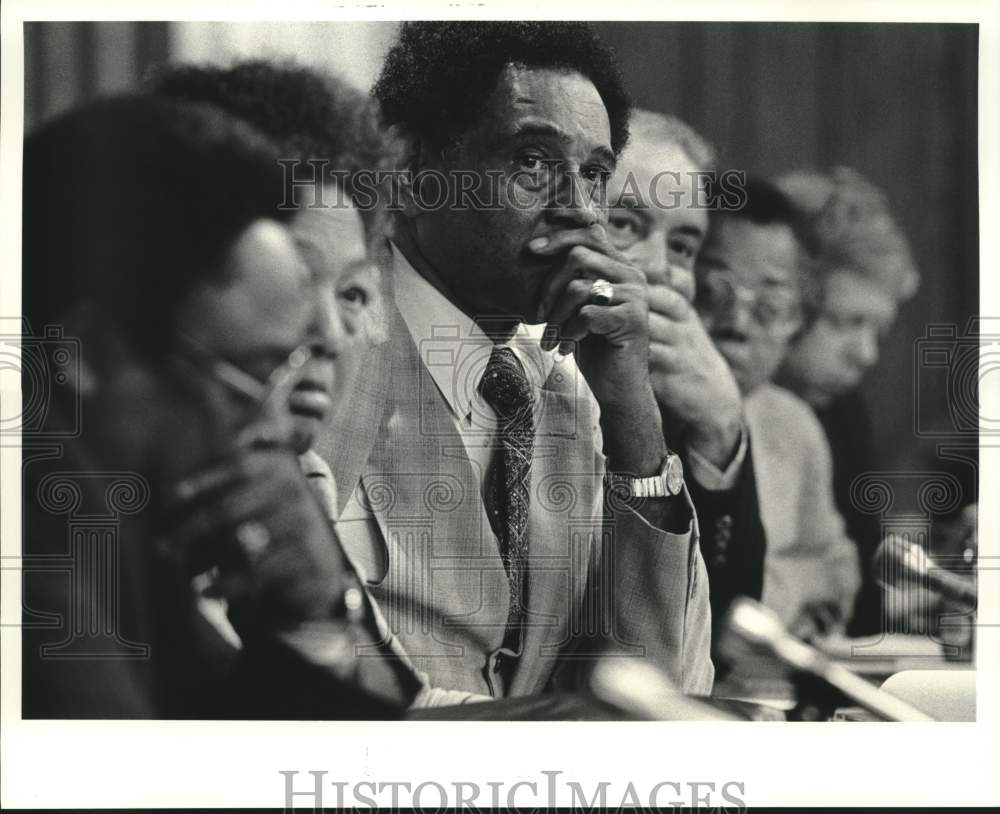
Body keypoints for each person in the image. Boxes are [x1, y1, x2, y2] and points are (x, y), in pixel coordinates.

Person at [317, 21, 714, 702]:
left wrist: (632, 416)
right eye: (533, 162)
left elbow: (661, 691)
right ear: (409, 176)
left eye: (593, 175)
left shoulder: (576, 387)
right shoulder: (326, 356)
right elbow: (315, 689)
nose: (582, 213)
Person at [21, 95, 416, 717]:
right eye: (253, 377)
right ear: (90, 355)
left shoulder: (128, 522)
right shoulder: (38, 540)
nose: (268, 423)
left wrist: (310, 616)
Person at [605, 109, 768, 634]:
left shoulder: (677, 392)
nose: (657, 267)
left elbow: (727, 628)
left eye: (681, 247)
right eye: (626, 224)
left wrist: (721, 428)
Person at [694, 177, 861, 640]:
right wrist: (789, 591)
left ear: (799, 321)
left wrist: (802, 598)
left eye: (769, 306)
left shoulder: (792, 424)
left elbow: (835, 566)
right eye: (713, 291)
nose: (736, 325)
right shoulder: (624, 414)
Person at [774, 167, 920, 635]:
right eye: (846, 322)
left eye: (877, 330)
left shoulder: (843, 411)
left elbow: (862, 605)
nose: (866, 355)